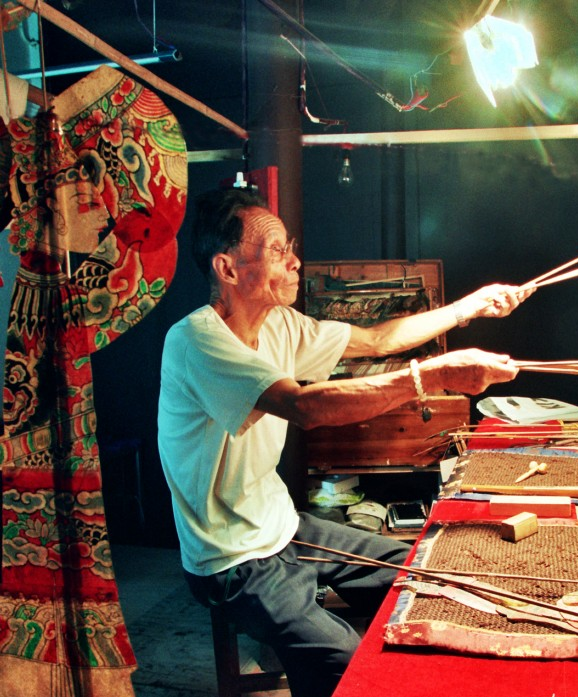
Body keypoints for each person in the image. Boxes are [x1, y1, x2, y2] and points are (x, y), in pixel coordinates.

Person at [157, 187, 529, 697]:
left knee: (423, 575)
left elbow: (377, 340)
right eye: (277, 251)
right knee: (344, 663)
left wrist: (469, 307)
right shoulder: (196, 341)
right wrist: (434, 375)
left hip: (283, 527)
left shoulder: (281, 323)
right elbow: (304, 407)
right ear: (227, 268)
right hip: (230, 561)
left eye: (290, 247)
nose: (295, 262)